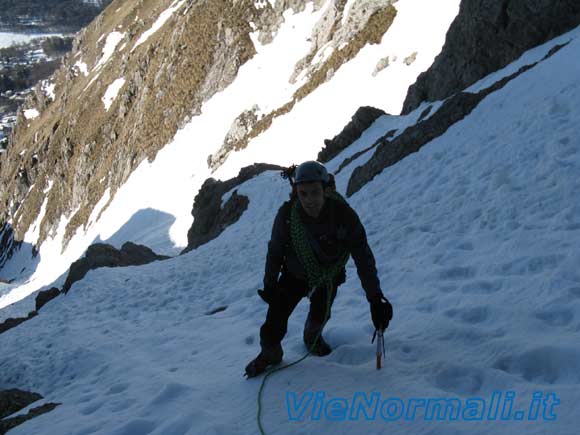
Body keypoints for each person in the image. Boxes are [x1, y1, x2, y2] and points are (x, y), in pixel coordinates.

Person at [244, 161, 393, 378]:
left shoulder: (344, 216)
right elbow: (275, 251)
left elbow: (363, 257)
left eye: (315, 192)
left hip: (328, 276)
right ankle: (270, 354)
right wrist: (269, 284)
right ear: (297, 193)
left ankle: (312, 339)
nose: (309, 200)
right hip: (293, 275)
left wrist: (375, 298)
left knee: (319, 316)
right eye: (303, 194)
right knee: (273, 322)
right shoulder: (287, 216)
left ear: (326, 189)